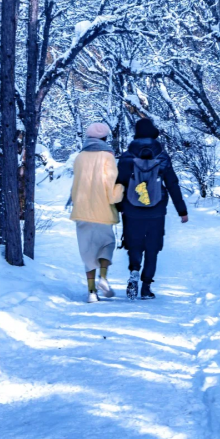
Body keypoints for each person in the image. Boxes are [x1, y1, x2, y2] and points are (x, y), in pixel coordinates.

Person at [116, 118, 188, 300]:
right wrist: (182, 210)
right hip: (156, 210)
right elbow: (172, 184)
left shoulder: (127, 157)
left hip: (131, 209)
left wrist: (118, 207)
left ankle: (133, 271)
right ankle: (146, 286)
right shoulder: (162, 156)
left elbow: (119, 184)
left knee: (134, 244)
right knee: (152, 248)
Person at [70, 122, 124, 303]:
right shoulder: (107, 157)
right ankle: (103, 278)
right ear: (105, 138)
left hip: (82, 211)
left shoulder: (79, 157)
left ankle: (92, 292)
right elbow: (110, 185)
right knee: (107, 245)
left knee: (87, 252)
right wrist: (120, 191)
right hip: (102, 211)